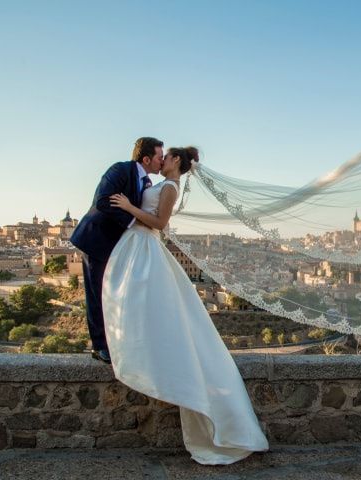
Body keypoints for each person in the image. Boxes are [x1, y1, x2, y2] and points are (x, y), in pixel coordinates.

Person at [103, 146, 270, 465]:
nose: (161, 160)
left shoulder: (169, 187)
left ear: (175, 161)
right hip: (138, 247)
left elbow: (159, 223)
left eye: (165, 157)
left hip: (147, 246)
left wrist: (127, 206)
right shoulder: (159, 185)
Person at [70, 137, 164, 363]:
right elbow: (102, 200)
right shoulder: (120, 170)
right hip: (97, 240)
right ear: (146, 158)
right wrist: (134, 222)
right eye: (160, 157)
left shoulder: (148, 182)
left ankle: (120, 341)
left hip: (120, 246)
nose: (162, 162)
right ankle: (100, 346)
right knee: (97, 294)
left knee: (116, 295)